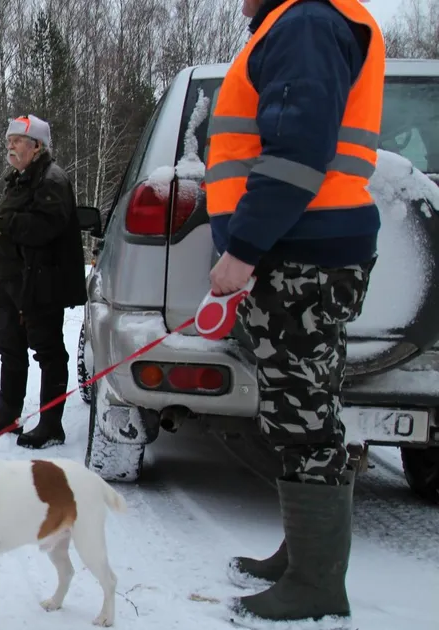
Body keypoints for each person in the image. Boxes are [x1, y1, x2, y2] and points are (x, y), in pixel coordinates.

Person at [205, 0, 384, 623]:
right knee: (300, 406)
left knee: (301, 414)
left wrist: (243, 250)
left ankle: (314, 585)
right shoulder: (303, 21)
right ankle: (303, 555)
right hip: (304, 251)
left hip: (298, 253)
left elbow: (295, 153)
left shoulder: (305, 21)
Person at [0, 115, 87, 450]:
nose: (10, 145)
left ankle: (51, 425)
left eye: (17, 140)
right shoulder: (20, 179)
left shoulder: (52, 179)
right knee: (10, 348)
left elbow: (44, 227)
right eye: (9, 140)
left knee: (48, 352)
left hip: (40, 284)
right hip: (12, 282)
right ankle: (7, 415)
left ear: (37, 146)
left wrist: (4, 224)